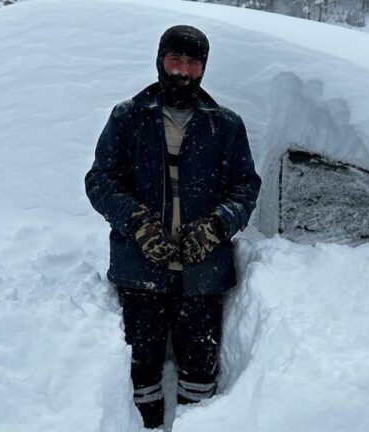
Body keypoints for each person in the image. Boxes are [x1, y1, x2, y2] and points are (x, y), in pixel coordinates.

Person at [84, 25, 261, 429]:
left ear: (203, 68)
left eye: (193, 63)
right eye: (175, 60)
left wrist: (216, 226)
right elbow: (101, 181)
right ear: (160, 60)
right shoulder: (128, 118)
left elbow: (246, 188)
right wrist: (138, 224)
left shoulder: (226, 125)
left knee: (200, 372)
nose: (183, 71)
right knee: (141, 372)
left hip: (203, 277)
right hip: (140, 272)